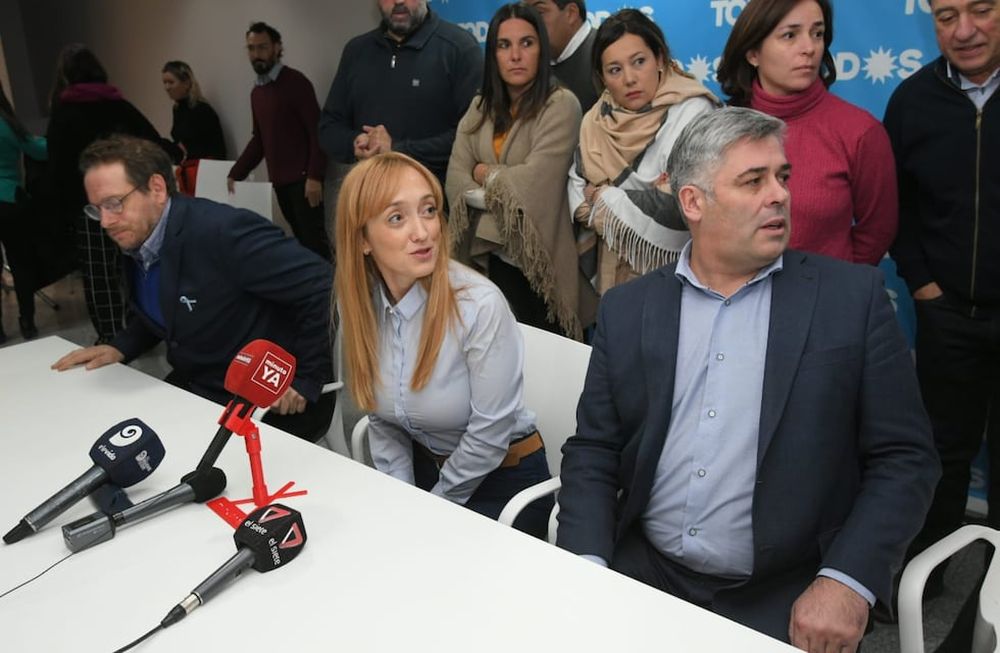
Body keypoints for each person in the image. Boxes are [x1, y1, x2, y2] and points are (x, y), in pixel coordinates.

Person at [556, 107, 940, 648]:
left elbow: (906, 458)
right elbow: (594, 449)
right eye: (753, 181)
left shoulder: (850, 300)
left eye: (782, 176)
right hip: (643, 572)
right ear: (693, 202)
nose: (779, 194)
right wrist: (587, 563)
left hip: (786, 591)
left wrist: (845, 582)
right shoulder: (628, 310)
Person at [52, 136, 334, 442]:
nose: (105, 221)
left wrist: (306, 378)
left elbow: (323, 286)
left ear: (157, 189)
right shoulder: (140, 235)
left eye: (114, 203)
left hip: (265, 400)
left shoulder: (222, 232)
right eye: (97, 209)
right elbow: (167, 306)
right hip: (202, 386)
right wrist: (122, 346)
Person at [334, 151, 552, 537]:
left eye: (429, 210)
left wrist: (433, 507)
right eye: (397, 218)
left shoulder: (478, 305)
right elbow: (383, 418)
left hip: (504, 484)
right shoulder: (361, 304)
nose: (423, 232)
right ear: (362, 239)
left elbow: (489, 435)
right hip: (427, 472)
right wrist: (401, 497)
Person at [884, 0, 1000, 587]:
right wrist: (923, 286)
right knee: (942, 454)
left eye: (981, 10)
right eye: (947, 15)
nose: (965, 30)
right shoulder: (912, 100)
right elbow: (896, 207)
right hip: (946, 312)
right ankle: (928, 583)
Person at [446, 3, 596, 340]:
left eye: (526, 43)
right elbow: (455, 179)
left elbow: (533, 187)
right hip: (486, 260)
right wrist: (500, 181)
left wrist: (482, 172)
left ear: (541, 49)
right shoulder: (479, 107)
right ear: (493, 54)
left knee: (551, 374)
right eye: (504, 45)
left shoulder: (560, 104)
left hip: (541, 266)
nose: (515, 55)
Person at [716, 0, 897, 265]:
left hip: (828, 300)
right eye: (790, 35)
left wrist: (835, 285)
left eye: (817, 34)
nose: (809, 48)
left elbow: (878, 230)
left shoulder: (860, 131)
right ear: (753, 52)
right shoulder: (720, 128)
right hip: (734, 298)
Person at [568, 9, 717, 294]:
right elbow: (577, 192)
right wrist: (625, 202)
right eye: (615, 70)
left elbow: (686, 201)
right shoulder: (596, 120)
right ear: (602, 76)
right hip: (614, 268)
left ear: (659, 59)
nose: (629, 79)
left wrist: (604, 195)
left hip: (681, 273)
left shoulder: (694, 112)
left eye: (639, 62)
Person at [46, 43, 165, 344]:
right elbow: (153, 142)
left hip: (90, 209)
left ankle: (113, 336)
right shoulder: (119, 105)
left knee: (100, 275)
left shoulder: (64, 113)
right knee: (135, 266)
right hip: (131, 200)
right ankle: (146, 329)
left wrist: (65, 213)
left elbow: (57, 168)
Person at [319, 0, 482, 188]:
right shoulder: (356, 51)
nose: (398, 1)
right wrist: (356, 143)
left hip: (435, 202)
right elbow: (329, 127)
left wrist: (396, 150)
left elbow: (471, 137)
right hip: (371, 198)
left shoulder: (459, 48)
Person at [228, 22, 331, 261]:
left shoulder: (296, 83)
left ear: (277, 47)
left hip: (305, 184)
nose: (256, 54)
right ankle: (314, 294)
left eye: (262, 47)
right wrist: (236, 172)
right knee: (302, 246)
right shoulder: (257, 92)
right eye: (251, 48)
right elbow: (260, 139)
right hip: (281, 184)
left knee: (316, 246)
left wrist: (314, 176)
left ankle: (332, 296)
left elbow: (318, 132)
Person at [0, 81, 47, 343]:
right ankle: (27, 321)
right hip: (10, 200)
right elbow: (37, 149)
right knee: (20, 264)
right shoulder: (8, 123)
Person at [160, 60, 226, 195]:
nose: (167, 87)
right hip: (190, 172)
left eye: (171, 82)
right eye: (164, 83)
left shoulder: (201, 110)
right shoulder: (177, 109)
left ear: (186, 83)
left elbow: (216, 149)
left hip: (205, 173)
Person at [529, 0, 600, 112]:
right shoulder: (527, 64)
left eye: (539, 13)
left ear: (571, 13)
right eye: (526, 15)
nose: (528, 24)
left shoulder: (605, 54)